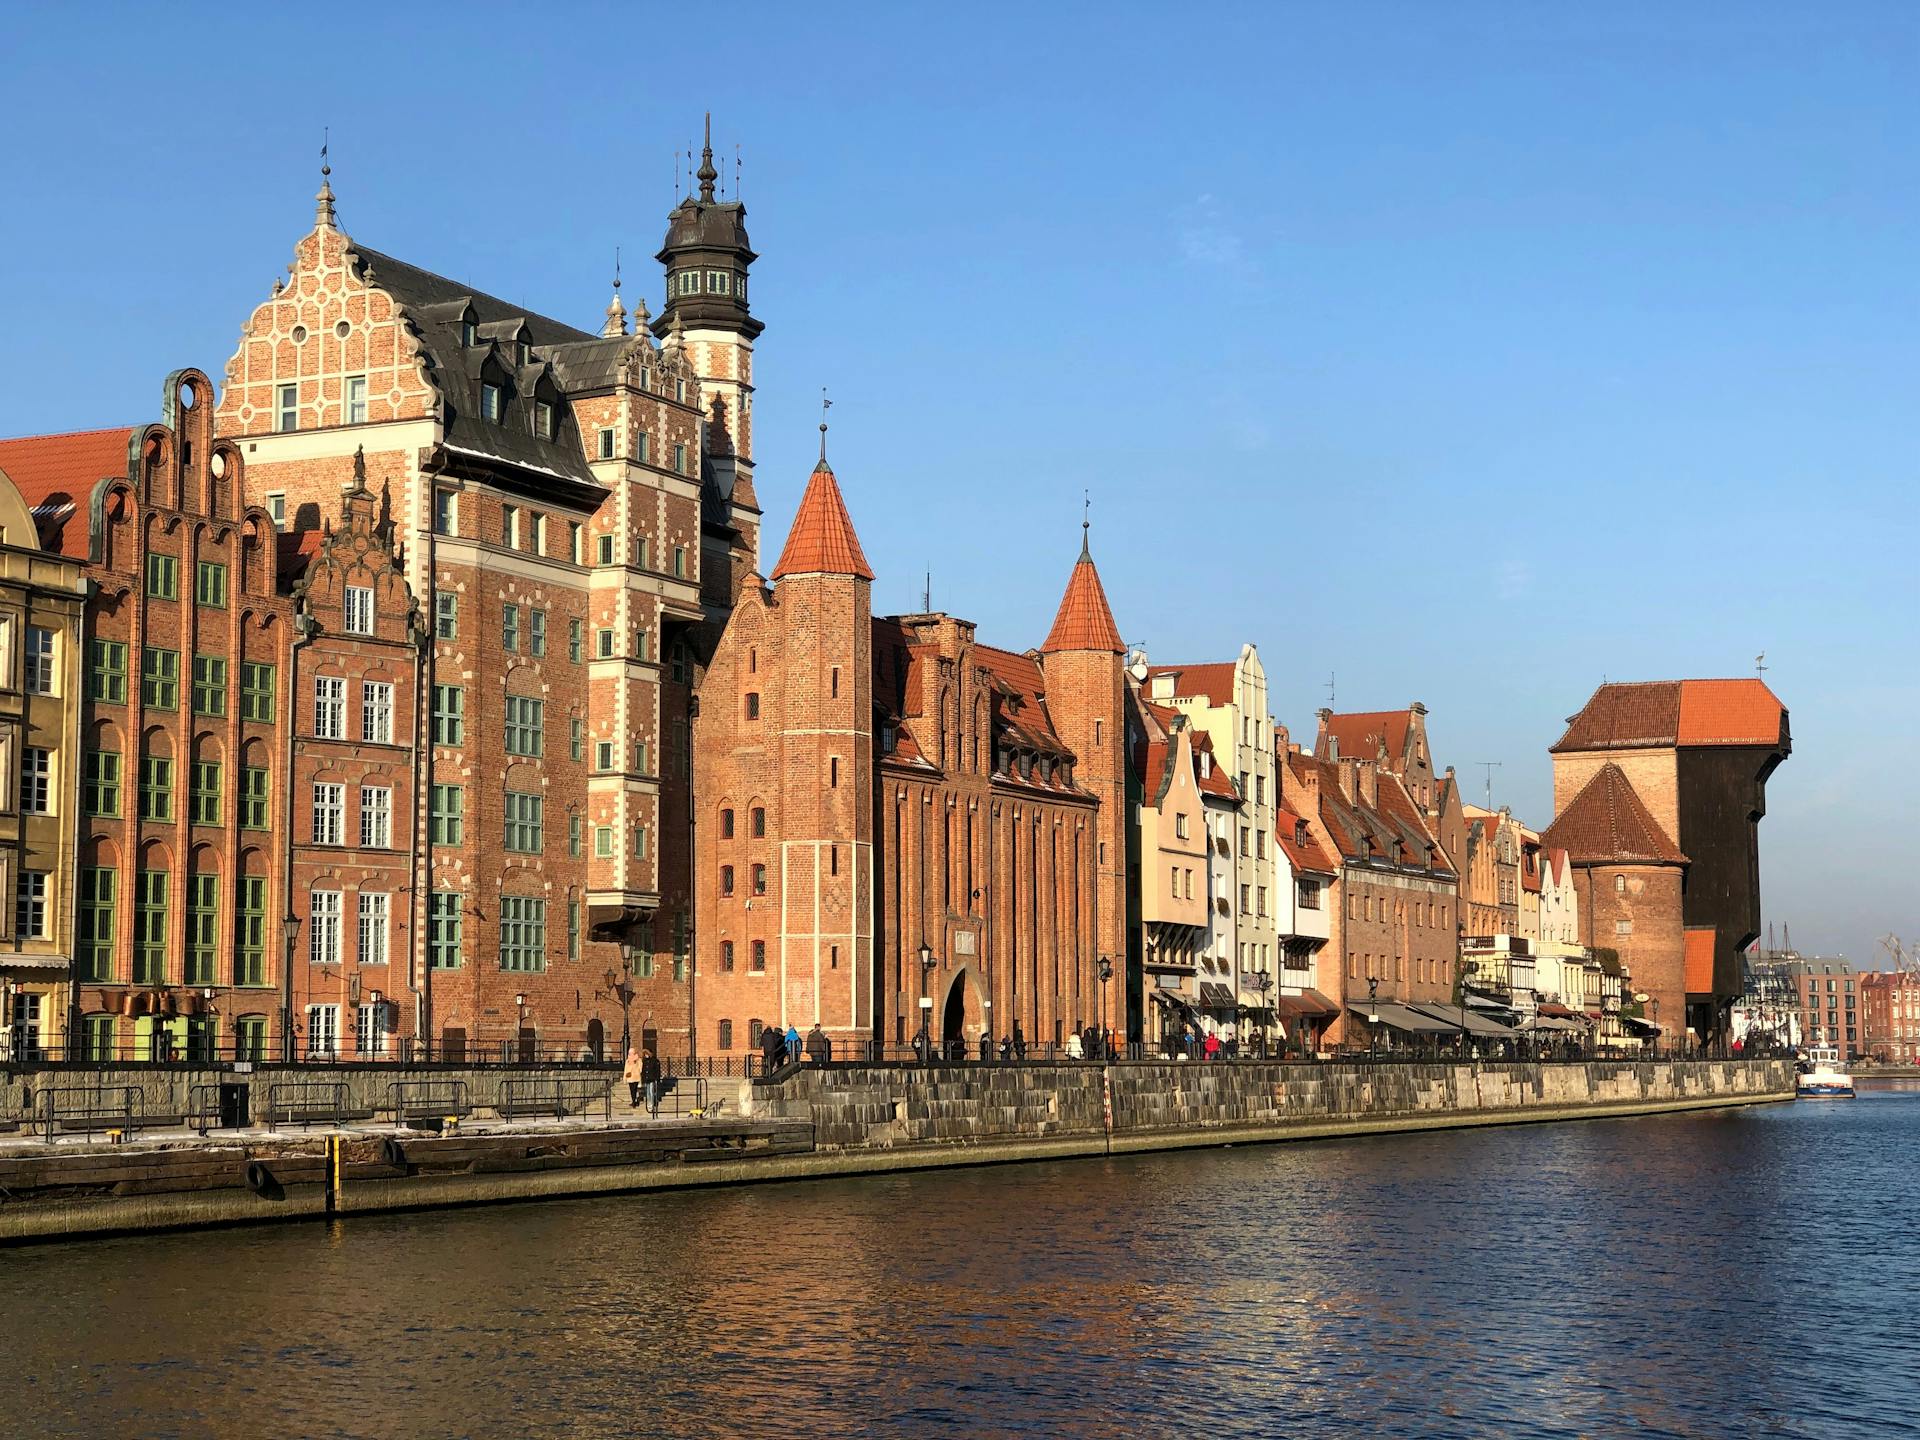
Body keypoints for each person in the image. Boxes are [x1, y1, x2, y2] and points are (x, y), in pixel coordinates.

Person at [641, 1049, 663, 1116]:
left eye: (647, 1054)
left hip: (652, 1079)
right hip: (647, 1079)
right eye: (645, 1054)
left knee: (651, 1092)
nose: (646, 1055)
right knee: (648, 1093)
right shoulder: (644, 1061)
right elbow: (643, 1071)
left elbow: (657, 1071)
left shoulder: (655, 1061)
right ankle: (649, 1105)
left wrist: (657, 1079)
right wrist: (643, 1080)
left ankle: (651, 1105)